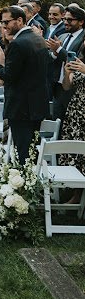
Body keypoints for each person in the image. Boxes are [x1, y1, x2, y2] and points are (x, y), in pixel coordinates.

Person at [0, 5, 50, 163]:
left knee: (22, 151)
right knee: (31, 149)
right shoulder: (37, 38)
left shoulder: (18, 43)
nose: (4, 26)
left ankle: (23, 184)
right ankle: (30, 181)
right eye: (2, 23)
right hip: (36, 105)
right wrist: (2, 61)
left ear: (20, 20)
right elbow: (24, 71)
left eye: (7, 22)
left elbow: (8, 77)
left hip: (21, 106)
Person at [60, 48, 85, 201]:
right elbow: (66, 87)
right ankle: (76, 194)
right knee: (76, 153)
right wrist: (66, 73)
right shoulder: (80, 59)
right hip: (76, 112)